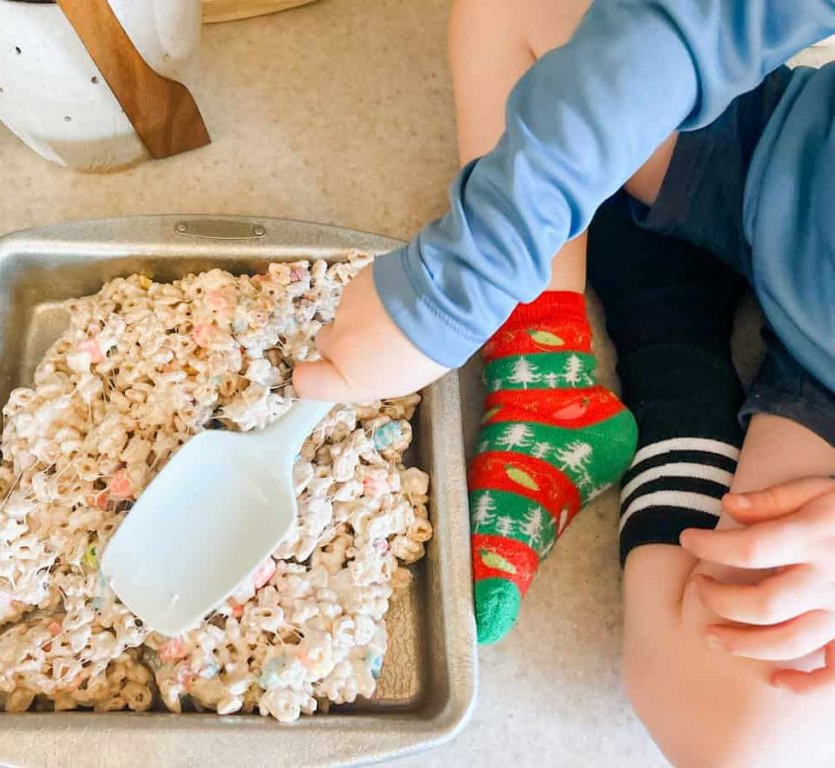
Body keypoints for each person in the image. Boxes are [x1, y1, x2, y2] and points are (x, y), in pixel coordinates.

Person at [293, 1, 835, 765]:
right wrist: (465, 274)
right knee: (505, 9)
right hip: (793, 169)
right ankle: (546, 380)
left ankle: (670, 353)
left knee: (742, 733)